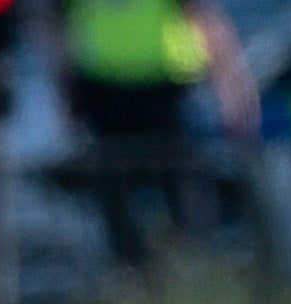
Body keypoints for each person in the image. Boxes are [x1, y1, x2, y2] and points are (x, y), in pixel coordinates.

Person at [62, 0, 257, 270]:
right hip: (102, 92)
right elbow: (62, 30)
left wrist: (233, 91)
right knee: (113, 191)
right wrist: (69, 96)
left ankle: (194, 267)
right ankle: (132, 274)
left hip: (164, 88)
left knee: (183, 186)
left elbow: (206, 20)